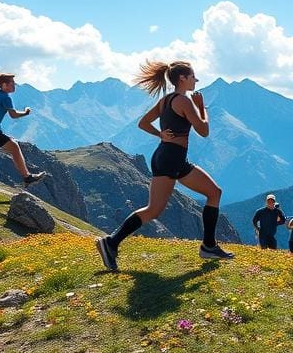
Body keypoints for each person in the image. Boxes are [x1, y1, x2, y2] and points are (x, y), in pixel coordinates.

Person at [94, 60, 232, 271]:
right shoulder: (185, 102)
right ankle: (208, 246)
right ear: (182, 79)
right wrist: (203, 108)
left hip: (164, 156)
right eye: (193, 76)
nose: (196, 80)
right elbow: (204, 131)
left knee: (205, 194)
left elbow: (142, 123)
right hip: (173, 158)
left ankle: (111, 243)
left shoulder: (166, 100)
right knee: (210, 194)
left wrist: (160, 134)